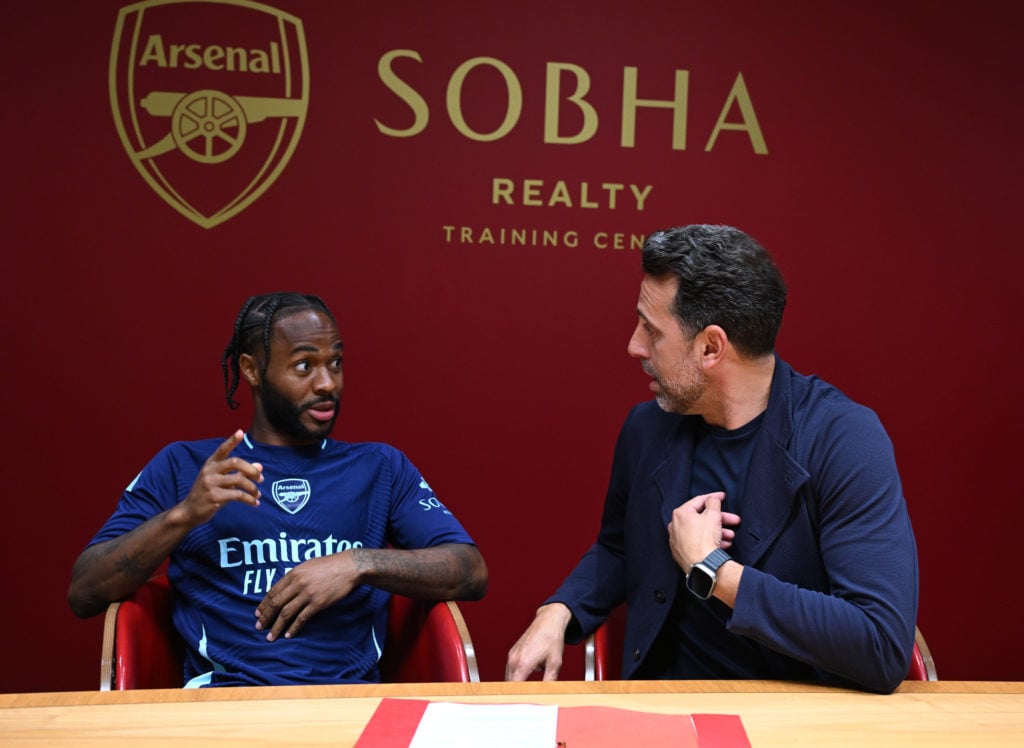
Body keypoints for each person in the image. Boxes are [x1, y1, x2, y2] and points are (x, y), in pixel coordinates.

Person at [505, 225, 918, 694]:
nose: (634, 346)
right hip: (660, 712)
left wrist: (713, 570)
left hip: (796, 721)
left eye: (652, 330)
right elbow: (620, 547)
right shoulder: (647, 428)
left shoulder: (844, 439)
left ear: (711, 348)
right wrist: (560, 610)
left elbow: (880, 645)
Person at [68, 292, 487, 687]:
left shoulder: (379, 467)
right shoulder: (186, 466)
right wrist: (184, 515)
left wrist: (358, 563)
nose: (327, 383)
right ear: (251, 369)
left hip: (347, 705)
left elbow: (470, 572)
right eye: (304, 366)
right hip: (223, 705)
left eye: (336, 363)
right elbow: (85, 592)